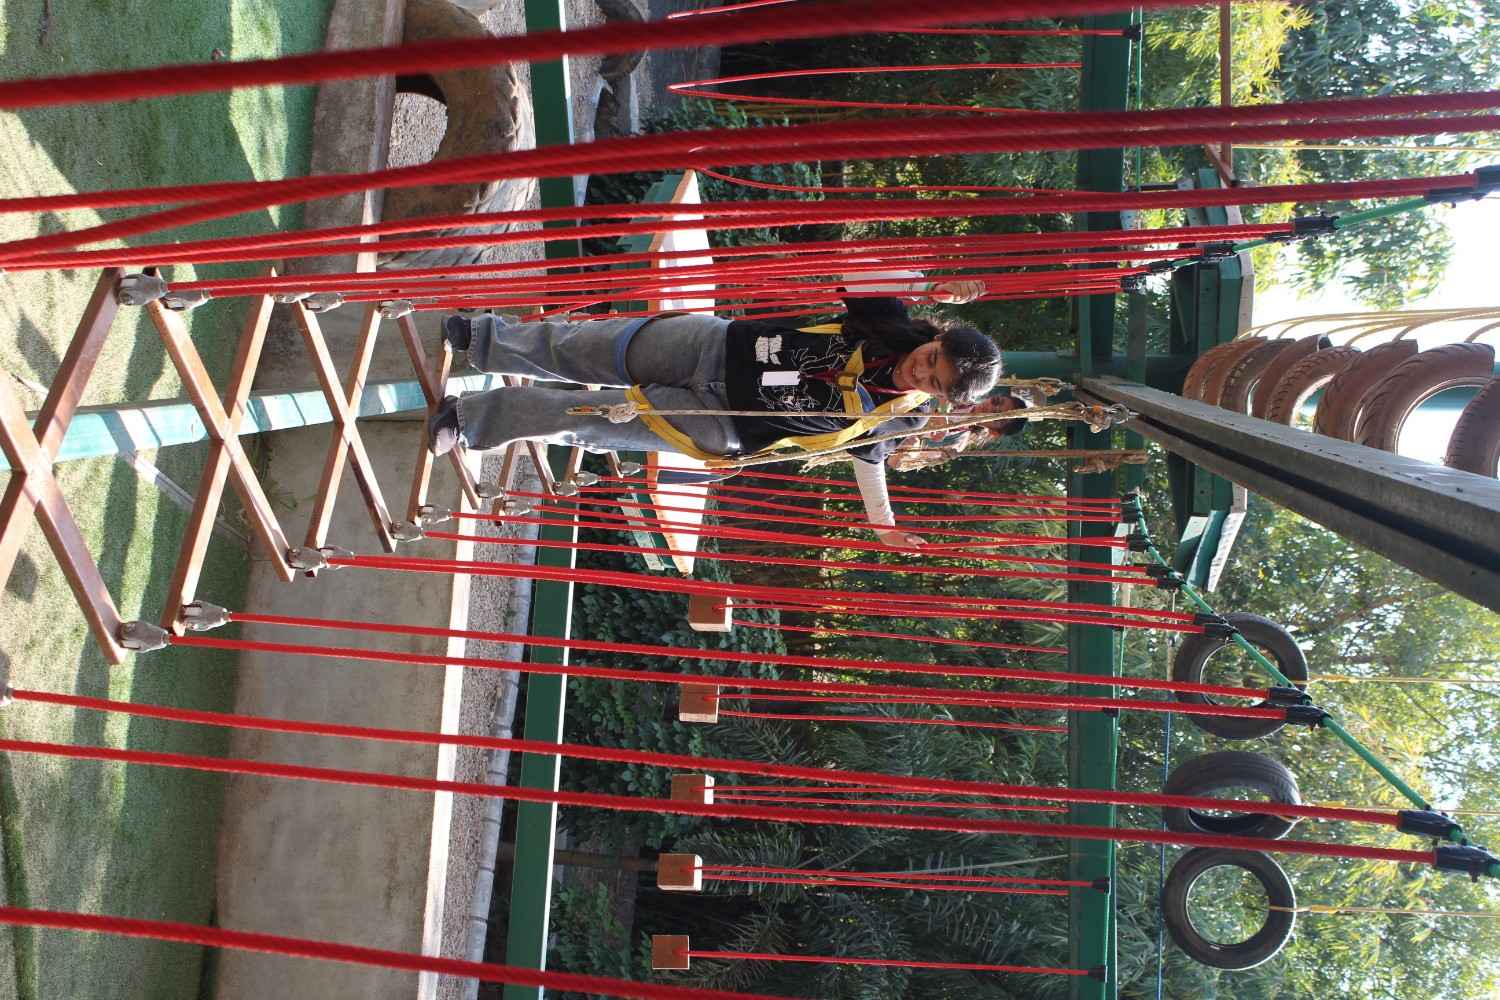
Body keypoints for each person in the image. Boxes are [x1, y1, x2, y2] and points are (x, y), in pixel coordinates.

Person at [426, 281, 1001, 546]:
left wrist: (885, 526)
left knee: (592, 417)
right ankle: (484, 339)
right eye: (931, 359)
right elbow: (854, 270)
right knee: (591, 347)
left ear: (943, 397)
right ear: (937, 340)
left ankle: (471, 420)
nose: (919, 372)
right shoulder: (892, 322)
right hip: (718, 345)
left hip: (725, 423)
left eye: (934, 381)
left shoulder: (902, 419)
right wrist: (930, 284)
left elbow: (868, 464)